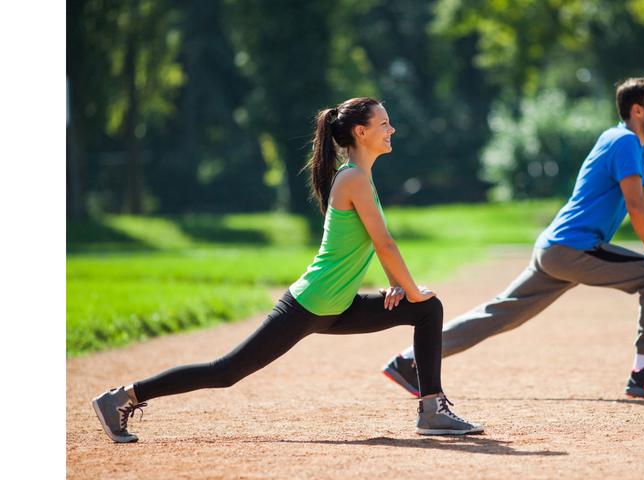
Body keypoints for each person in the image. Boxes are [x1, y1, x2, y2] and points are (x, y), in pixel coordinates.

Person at [92, 97, 483, 443]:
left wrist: (402, 288)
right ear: (361, 132)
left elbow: (368, 247)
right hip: (310, 304)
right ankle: (123, 397)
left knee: (427, 310)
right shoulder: (353, 179)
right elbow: (385, 245)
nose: (391, 129)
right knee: (226, 372)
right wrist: (409, 287)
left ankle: (431, 409)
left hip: (337, 306)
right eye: (384, 124)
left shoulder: (361, 178)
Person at [382, 78, 644, 400]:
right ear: (638, 110)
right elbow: (635, 206)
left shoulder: (637, 146)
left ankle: (408, 361)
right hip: (575, 248)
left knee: (500, 314)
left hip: (557, 248)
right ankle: (643, 374)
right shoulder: (624, 141)